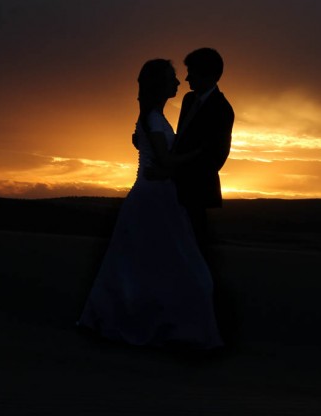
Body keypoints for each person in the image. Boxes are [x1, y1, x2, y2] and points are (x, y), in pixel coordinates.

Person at [77, 59, 223, 350]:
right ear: (159, 84)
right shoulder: (154, 119)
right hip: (154, 198)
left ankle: (150, 325)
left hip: (156, 195)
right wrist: (198, 153)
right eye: (172, 78)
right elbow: (166, 160)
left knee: (142, 265)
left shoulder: (153, 118)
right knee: (174, 265)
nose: (178, 83)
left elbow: (157, 152)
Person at [173, 48, 234, 255]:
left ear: (208, 75)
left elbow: (217, 155)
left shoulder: (222, 109)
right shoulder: (188, 100)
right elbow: (181, 139)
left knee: (193, 246)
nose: (187, 78)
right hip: (175, 185)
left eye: (192, 72)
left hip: (196, 188)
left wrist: (180, 166)